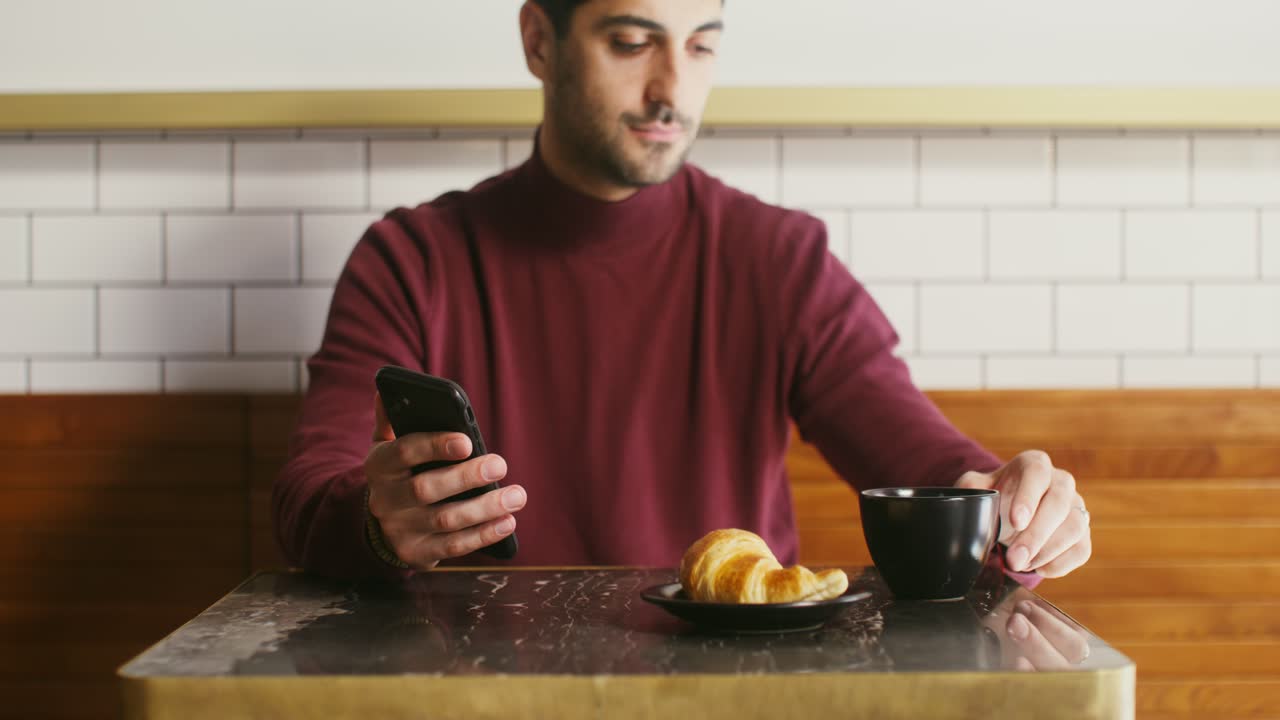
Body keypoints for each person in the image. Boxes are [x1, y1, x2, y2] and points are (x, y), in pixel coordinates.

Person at [274, 0, 1092, 585]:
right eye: (633, 43)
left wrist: (1007, 510)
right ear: (538, 41)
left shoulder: (780, 259)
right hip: (481, 694)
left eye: (701, 47)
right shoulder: (410, 259)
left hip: (732, 693)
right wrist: (376, 524)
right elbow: (309, 492)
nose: (673, 88)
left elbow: (919, 455)